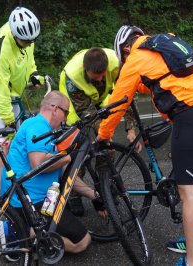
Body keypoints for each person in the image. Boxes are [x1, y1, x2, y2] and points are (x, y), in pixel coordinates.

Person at [97, 25, 193, 266]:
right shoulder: (166, 41)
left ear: (126, 48)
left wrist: (103, 134)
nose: (125, 62)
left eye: (123, 58)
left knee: (190, 194)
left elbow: (117, 103)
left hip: (192, 118)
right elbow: (166, 78)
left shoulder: (136, 57)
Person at [0, 91, 106, 260]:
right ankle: (20, 234)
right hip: (30, 202)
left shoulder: (47, 131)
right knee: (83, 241)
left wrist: (95, 195)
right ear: (55, 109)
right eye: (66, 112)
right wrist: (67, 156)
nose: (66, 119)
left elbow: (67, 175)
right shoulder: (38, 125)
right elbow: (38, 162)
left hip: (42, 198)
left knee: (68, 221)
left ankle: (26, 230)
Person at [58, 47, 141, 216]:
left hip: (99, 100)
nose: (102, 79)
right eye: (97, 77)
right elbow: (88, 114)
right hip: (77, 109)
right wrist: (104, 133)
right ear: (86, 70)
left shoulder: (116, 64)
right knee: (78, 153)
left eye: (104, 76)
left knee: (107, 148)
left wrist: (130, 128)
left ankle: (104, 184)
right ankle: (73, 195)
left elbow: (128, 95)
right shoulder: (73, 79)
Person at [0, 6, 44, 188]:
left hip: (12, 91)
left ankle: (18, 176)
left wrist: (33, 73)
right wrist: (8, 121)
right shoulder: (0, 47)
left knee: (18, 137)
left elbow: (28, 58)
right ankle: (3, 193)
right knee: (4, 141)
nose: (30, 44)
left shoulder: (26, 35)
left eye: (33, 40)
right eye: (26, 41)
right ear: (15, 36)